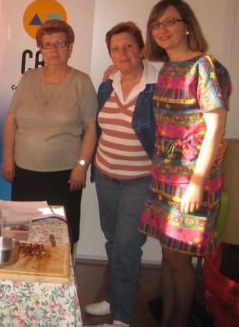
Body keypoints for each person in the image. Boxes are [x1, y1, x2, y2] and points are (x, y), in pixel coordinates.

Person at [138, 0, 231, 327]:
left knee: (181, 261)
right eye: (156, 24)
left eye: (170, 21)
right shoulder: (165, 68)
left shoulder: (203, 65)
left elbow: (216, 125)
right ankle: (166, 320)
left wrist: (197, 182)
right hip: (166, 175)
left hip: (193, 178)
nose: (162, 29)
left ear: (187, 24)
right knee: (168, 256)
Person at [84, 22, 158, 325]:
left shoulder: (158, 83)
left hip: (139, 181)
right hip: (105, 177)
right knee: (113, 241)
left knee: (127, 246)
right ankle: (115, 298)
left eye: (129, 45)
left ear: (141, 49)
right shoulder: (107, 84)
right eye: (116, 48)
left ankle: (123, 317)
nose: (123, 52)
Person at [0, 19, 97, 250]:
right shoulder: (28, 78)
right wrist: (7, 158)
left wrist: (82, 166)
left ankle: (60, 283)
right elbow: (12, 119)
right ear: (40, 49)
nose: (53, 50)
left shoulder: (81, 82)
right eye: (47, 44)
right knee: (23, 235)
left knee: (60, 240)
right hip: (24, 174)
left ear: (70, 48)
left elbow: (91, 128)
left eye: (60, 43)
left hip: (64, 177)